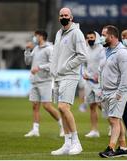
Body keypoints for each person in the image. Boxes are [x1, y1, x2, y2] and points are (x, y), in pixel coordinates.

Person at [50, 7, 87, 155]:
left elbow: (82, 55)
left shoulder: (77, 33)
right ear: (59, 18)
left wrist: (66, 67)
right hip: (58, 76)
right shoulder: (59, 33)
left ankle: (77, 143)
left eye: (66, 15)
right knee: (60, 108)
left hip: (70, 75)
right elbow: (55, 54)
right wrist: (54, 71)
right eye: (61, 15)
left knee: (64, 107)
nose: (64, 17)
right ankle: (66, 143)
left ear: (71, 17)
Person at [98, 25, 127, 158]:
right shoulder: (105, 50)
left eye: (103, 35)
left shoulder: (122, 53)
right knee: (116, 120)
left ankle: (110, 148)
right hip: (106, 92)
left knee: (113, 119)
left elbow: (126, 75)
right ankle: (123, 148)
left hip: (117, 92)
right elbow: (103, 71)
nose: (101, 37)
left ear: (111, 37)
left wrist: (119, 93)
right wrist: (101, 89)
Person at [24, 30, 64, 137]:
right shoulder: (36, 48)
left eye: (36, 36)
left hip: (45, 81)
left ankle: (63, 126)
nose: (34, 38)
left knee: (47, 106)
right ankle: (35, 130)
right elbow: (27, 62)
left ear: (41, 37)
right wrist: (27, 50)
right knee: (35, 106)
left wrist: (39, 67)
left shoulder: (49, 49)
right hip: (35, 81)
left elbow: (52, 64)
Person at [82, 31, 106, 137]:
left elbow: (104, 64)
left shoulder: (101, 49)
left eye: (91, 37)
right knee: (92, 106)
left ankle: (112, 126)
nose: (89, 39)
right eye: (88, 37)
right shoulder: (85, 49)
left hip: (98, 83)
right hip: (88, 82)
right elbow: (83, 64)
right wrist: (84, 74)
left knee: (102, 105)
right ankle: (94, 130)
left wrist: (99, 76)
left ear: (96, 38)